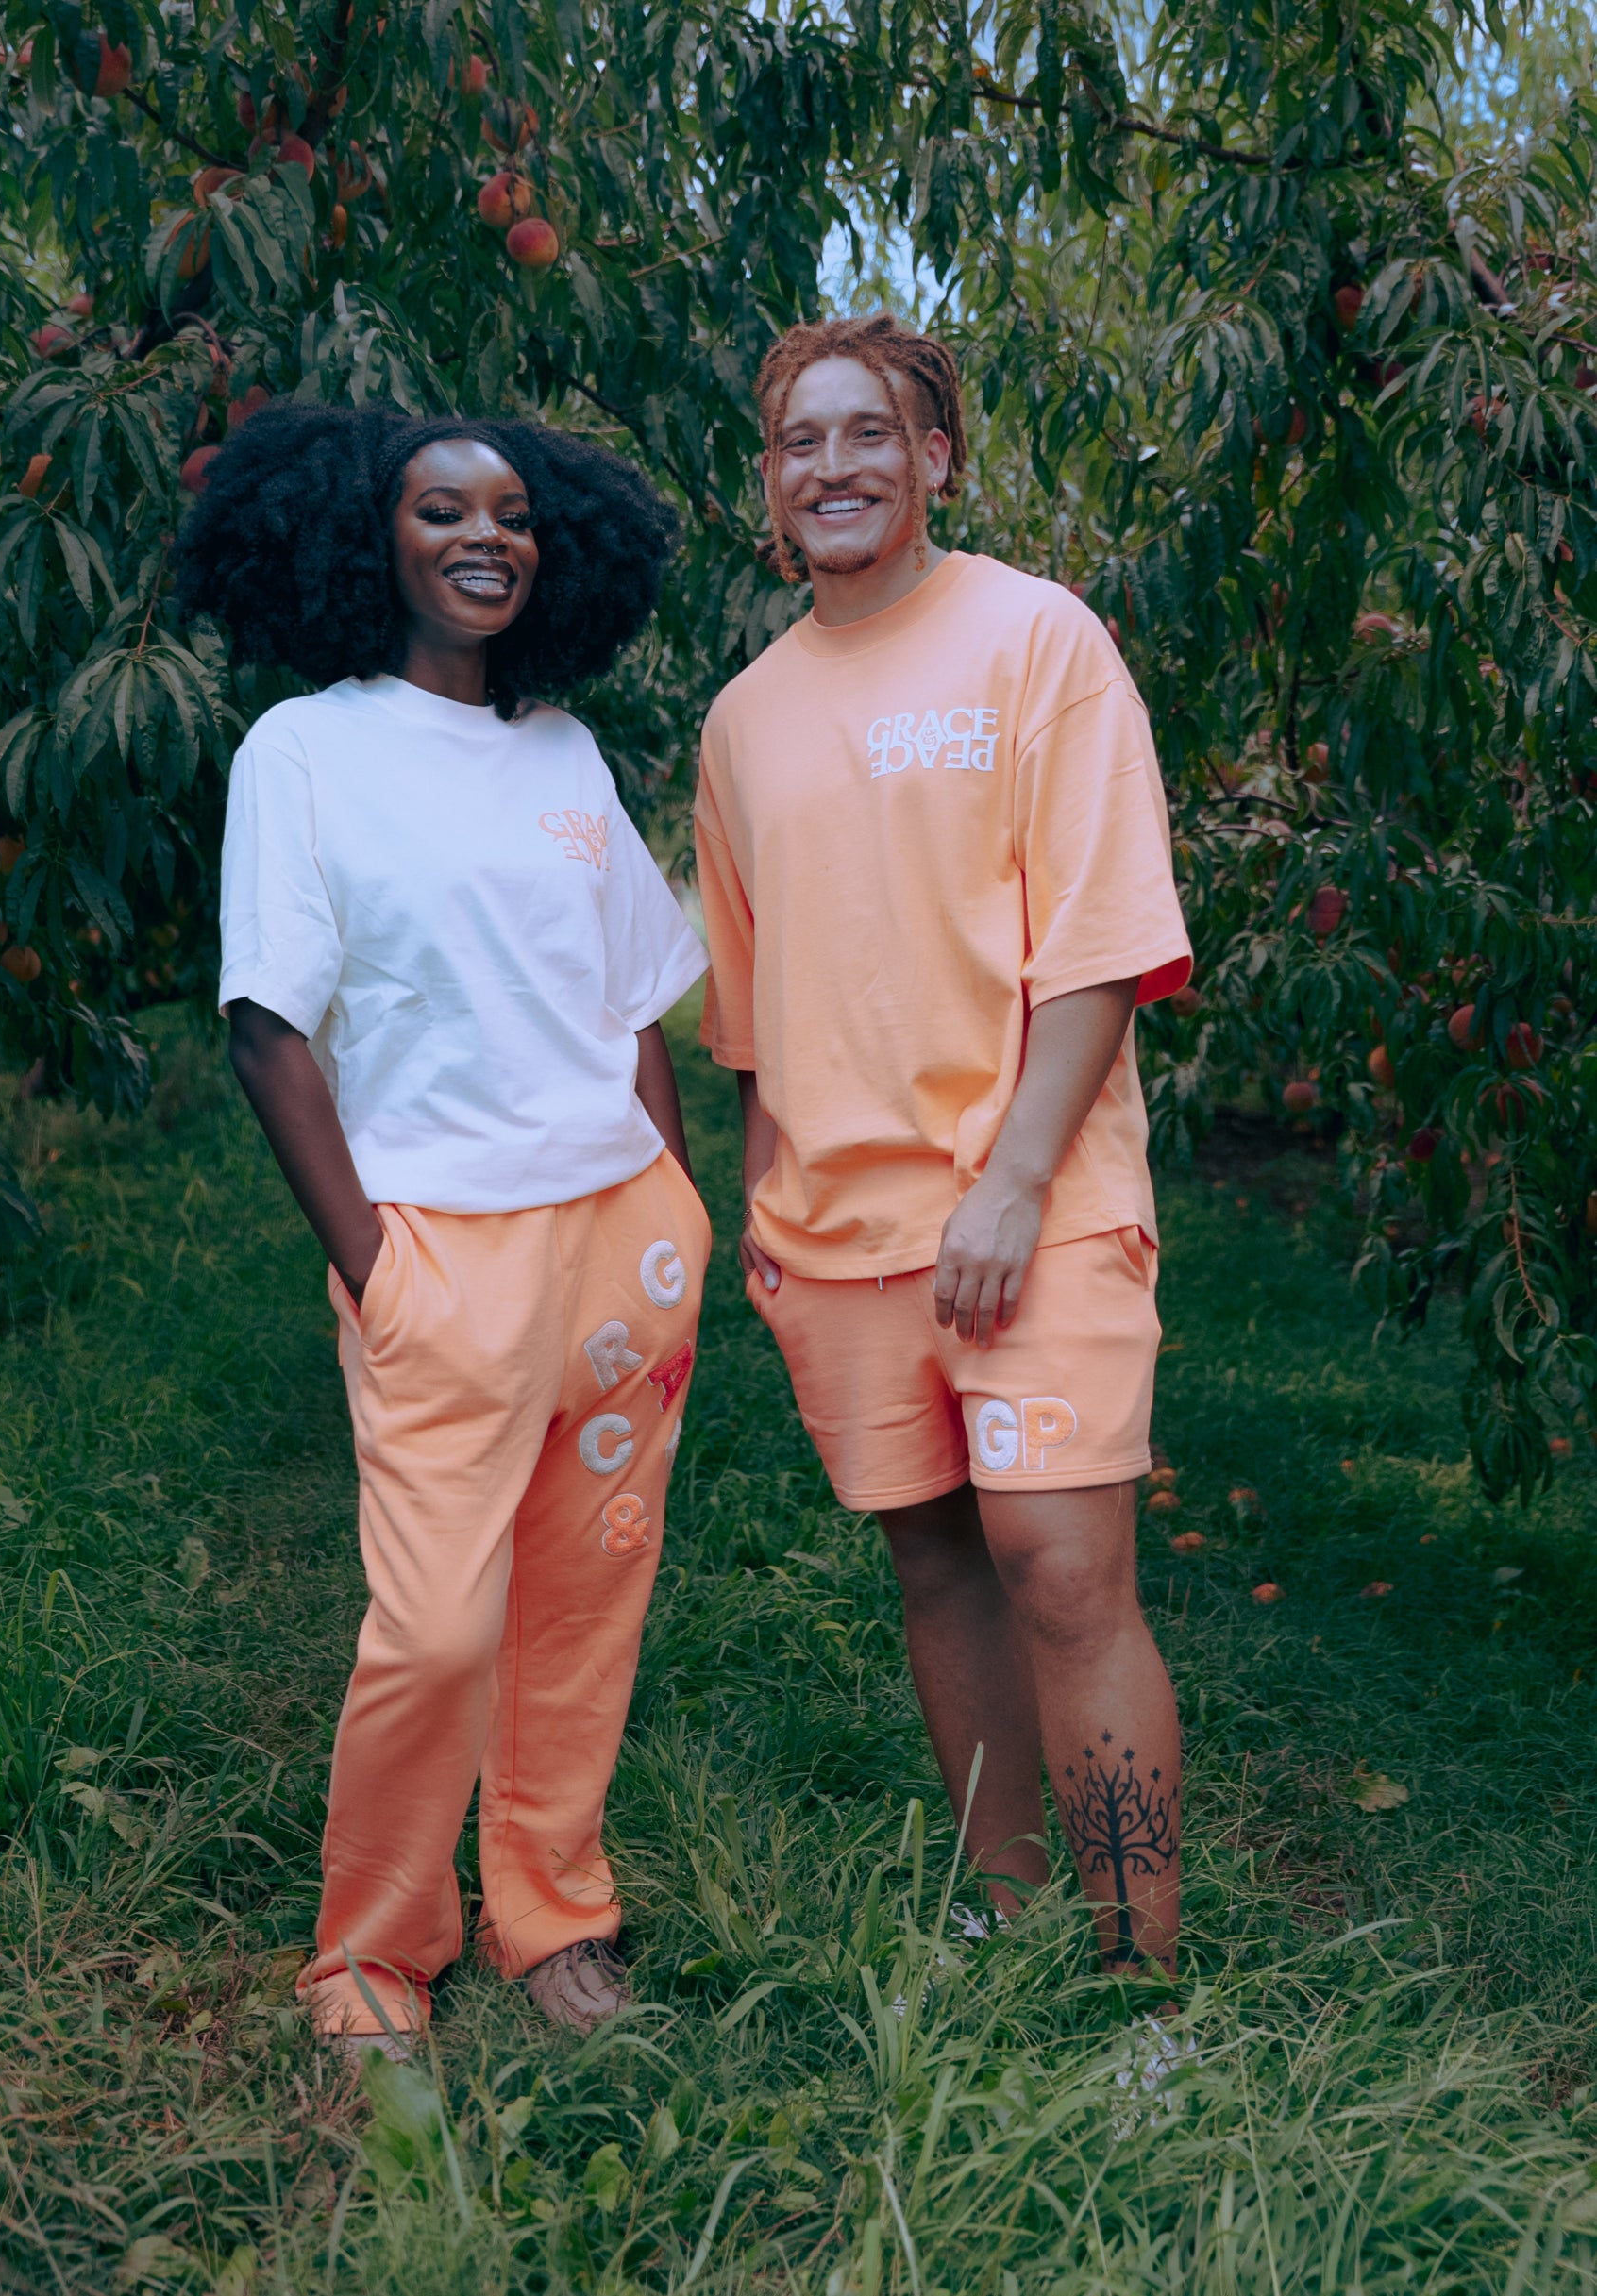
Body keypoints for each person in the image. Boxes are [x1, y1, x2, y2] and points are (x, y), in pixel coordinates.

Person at [177, 402, 710, 2051]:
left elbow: (637, 1002)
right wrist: (376, 1269)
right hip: (437, 1249)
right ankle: (371, 1952)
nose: (486, 536)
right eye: (440, 510)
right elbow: (269, 1028)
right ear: (369, 539)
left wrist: (677, 1200)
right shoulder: (305, 749)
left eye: (514, 513)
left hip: (620, 1240)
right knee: (433, 1626)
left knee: (581, 1602)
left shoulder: (561, 753)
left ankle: (550, 1910)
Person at [692, 314, 1193, 1979]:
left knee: (1059, 1568)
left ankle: (1140, 1983)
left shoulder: (1034, 639)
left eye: (864, 433)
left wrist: (1016, 1179)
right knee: (934, 1564)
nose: (828, 467)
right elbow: (756, 1011)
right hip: (832, 1230)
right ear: (769, 486)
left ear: (933, 459)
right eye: (795, 443)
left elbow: (1105, 940)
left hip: (1025, 1202)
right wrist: (764, 1211)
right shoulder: (742, 720)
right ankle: (1011, 1909)